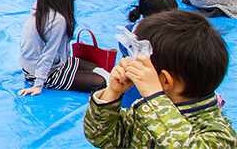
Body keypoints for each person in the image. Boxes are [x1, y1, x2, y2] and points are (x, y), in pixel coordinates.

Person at [83, 10, 236, 148]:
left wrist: (154, 98)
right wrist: (112, 93)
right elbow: (101, 136)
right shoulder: (145, 113)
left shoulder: (218, 134)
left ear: (166, 81)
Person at [18, 0, 108, 96]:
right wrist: (38, 85)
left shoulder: (43, 5)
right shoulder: (57, 19)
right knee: (101, 81)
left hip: (39, 64)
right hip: (41, 72)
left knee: (100, 69)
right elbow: (48, 53)